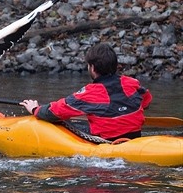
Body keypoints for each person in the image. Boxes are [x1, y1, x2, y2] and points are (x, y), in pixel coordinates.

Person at [20, 43, 152, 141]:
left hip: (107, 143)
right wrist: (122, 109)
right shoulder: (132, 83)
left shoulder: (89, 94)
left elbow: (55, 112)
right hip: (135, 138)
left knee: (64, 122)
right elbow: (146, 101)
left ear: (92, 68)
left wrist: (36, 109)